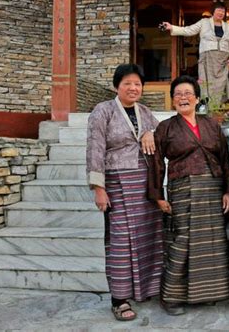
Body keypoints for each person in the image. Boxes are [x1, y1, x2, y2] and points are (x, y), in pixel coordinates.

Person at [150, 75, 229, 316]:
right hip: (182, 190)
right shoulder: (166, 128)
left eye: (188, 93)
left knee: (211, 243)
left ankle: (208, 293)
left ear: (197, 98)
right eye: (178, 94)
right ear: (172, 100)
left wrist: (228, 190)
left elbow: (225, 158)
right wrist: (158, 195)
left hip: (212, 188)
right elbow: (156, 163)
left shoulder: (211, 125)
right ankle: (171, 297)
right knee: (182, 241)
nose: (183, 97)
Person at [86, 64, 163, 321]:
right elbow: (95, 148)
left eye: (138, 84)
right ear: (116, 86)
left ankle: (146, 290)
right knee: (120, 243)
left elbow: (161, 136)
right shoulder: (103, 111)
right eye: (128, 83)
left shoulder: (145, 112)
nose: (133, 88)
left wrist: (151, 132)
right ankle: (119, 298)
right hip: (117, 184)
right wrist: (99, 188)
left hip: (145, 185)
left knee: (147, 238)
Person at [161, 0, 229, 107]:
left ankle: (218, 108)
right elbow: (189, 30)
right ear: (213, 12)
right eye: (219, 11)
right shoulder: (204, 22)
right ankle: (208, 107)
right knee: (207, 84)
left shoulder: (227, 27)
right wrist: (172, 27)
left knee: (221, 85)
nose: (221, 13)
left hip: (222, 61)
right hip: (207, 58)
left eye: (223, 12)